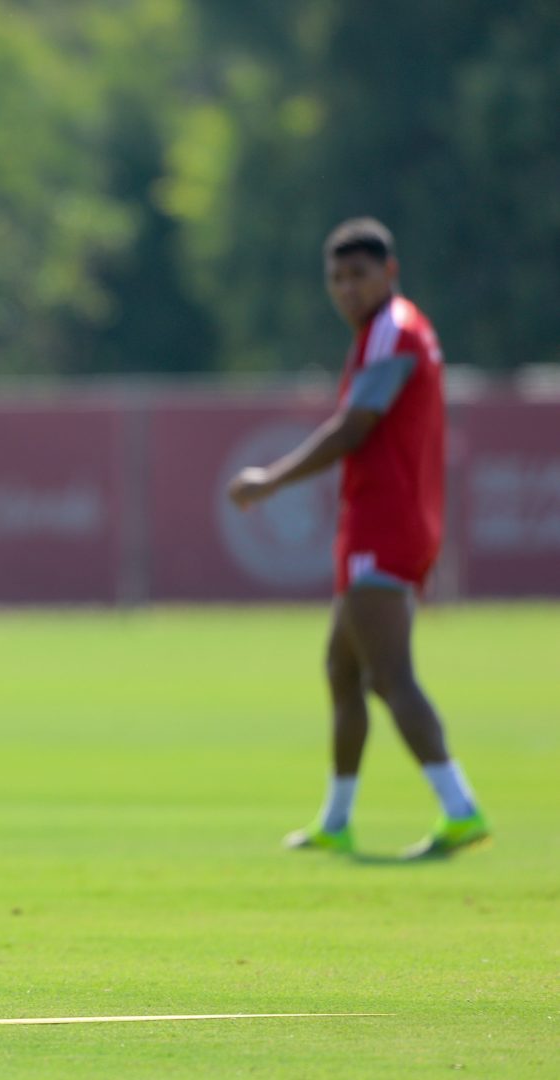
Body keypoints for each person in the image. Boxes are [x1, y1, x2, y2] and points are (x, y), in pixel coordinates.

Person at [228, 217, 488, 862]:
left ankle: (460, 808)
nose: (346, 288)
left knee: (390, 676)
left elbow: (355, 426)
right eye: (337, 278)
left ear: (389, 272)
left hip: (386, 523)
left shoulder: (393, 328)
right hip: (379, 520)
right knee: (344, 671)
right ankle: (336, 821)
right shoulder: (386, 330)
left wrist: (271, 480)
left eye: (359, 275)